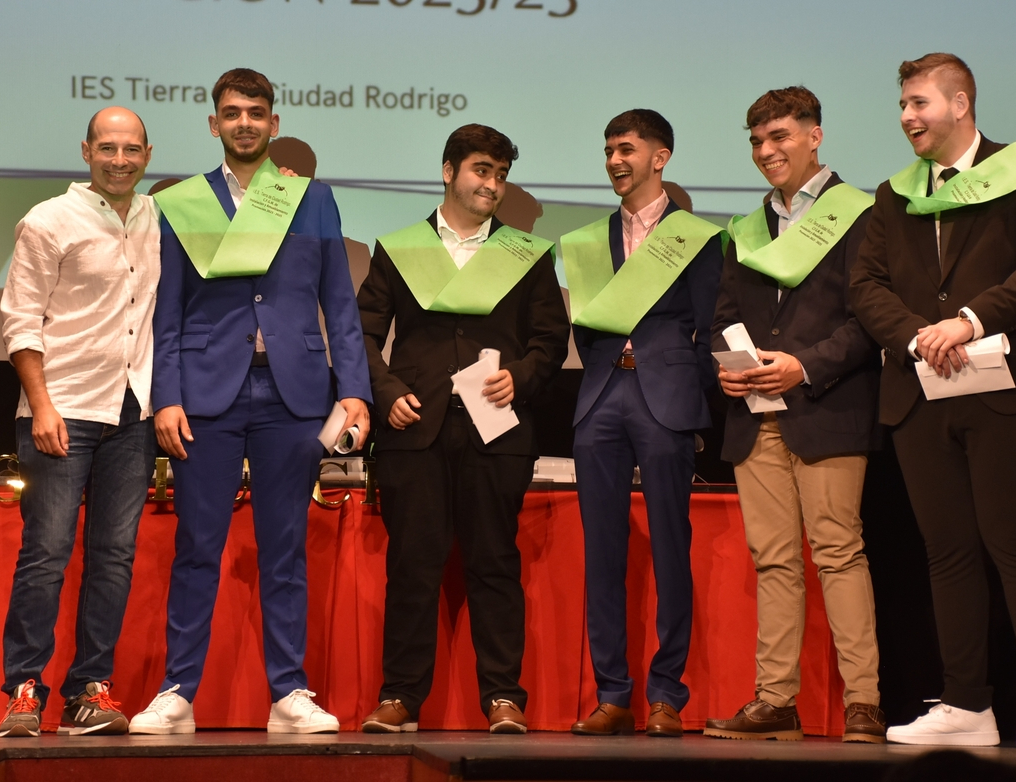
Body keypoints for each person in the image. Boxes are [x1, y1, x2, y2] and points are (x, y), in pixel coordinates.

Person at [129, 68, 372, 735]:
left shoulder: (310, 198)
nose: (244, 123)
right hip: (205, 393)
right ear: (214, 124)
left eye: (256, 112)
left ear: (274, 123)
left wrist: (354, 389)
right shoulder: (183, 202)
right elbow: (167, 310)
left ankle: (289, 692)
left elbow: (339, 303)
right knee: (197, 548)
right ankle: (178, 692)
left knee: (285, 549)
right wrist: (166, 395)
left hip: (293, 393)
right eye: (232, 112)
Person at [849, 53, 1016, 749]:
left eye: (918, 103)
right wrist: (916, 336)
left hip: (1009, 387)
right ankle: (966, 704)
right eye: (902, 105)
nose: (906, 117)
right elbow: (866, 284)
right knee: (947, 551)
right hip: (923, 390)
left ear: (960, 103)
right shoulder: (894, 195)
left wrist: (970, 321)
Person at [356, 124, 569, 734]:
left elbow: (550, 340)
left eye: (501, 175)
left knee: (494, 565)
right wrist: (386, 392)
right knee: (412, 567)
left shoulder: (526, 254)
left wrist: (520, 378)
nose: (492, 184)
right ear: (448, 171)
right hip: (414, 428)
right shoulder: (400, 248)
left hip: (496, 432)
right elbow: (361, 335)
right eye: (481, 170)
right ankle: (400, 697)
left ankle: (503, 696)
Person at [703, 86, 884, 743]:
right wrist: (729, 366)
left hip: (827, 405)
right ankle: (776, 701)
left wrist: (802, 366)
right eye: (757, 141)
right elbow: (723, 316)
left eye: (779, 137)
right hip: (755, 413)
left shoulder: (860, 213)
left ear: (815, 136)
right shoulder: (746, 228)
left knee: (838, 552)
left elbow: (869, 319)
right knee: (773, 560)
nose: (766, 151)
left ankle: (864, 702)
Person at [562, 109, 724, 738]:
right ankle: (613, 695)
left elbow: (711, 328)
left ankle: (666, 695)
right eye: (608, 150)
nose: (614, 161)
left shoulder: (699, 237)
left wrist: (687, 385)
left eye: (626, 149)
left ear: (661, 157)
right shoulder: (588, 239)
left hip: (667, 397)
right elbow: (586, 327)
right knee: (601, 552)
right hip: (602, 393)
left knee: (671, 549)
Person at [0, 107, 158, 737]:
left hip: (133, 410)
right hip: (62, 408)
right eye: (107, 148)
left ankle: (90, 689)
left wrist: (276, 182)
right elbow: (20, 320)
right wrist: (40, 404)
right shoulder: (48, 220)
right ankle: (23, 689)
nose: (120, 160)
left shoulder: (158, 217)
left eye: (131, 149)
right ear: (86, 151)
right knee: (47, 553)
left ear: (147, 155)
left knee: (113, 556)